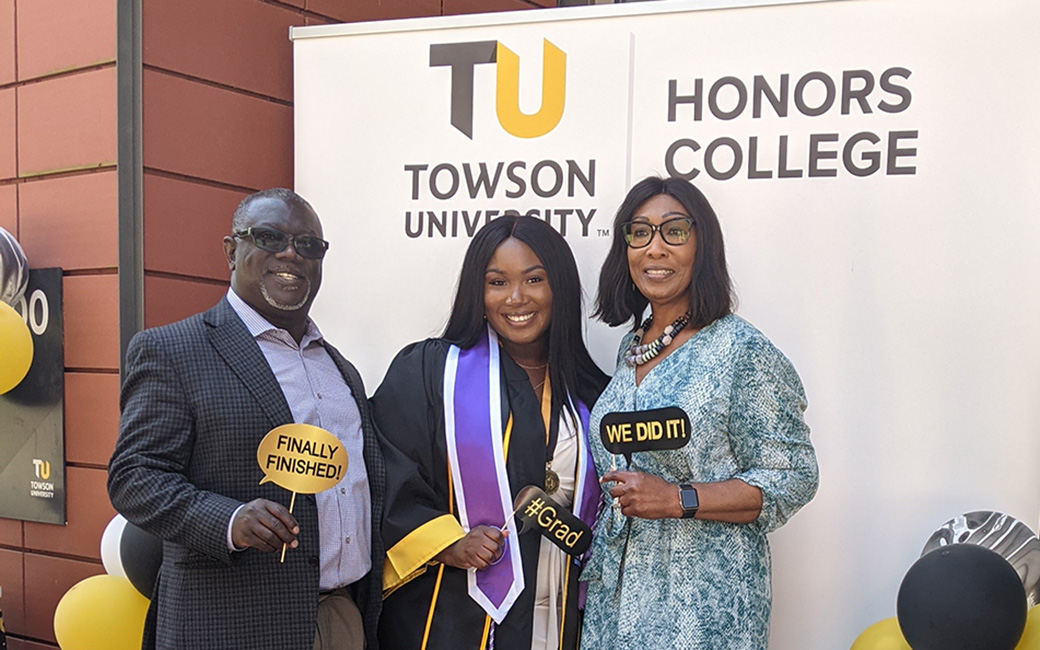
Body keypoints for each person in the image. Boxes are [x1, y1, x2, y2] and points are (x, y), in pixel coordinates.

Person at [108, 188, 385, 650]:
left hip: (341, 617)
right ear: (231, 251)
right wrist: (230, 520)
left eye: (309, 245)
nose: (291, 254)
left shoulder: (340, 370)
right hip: (231, 625)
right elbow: (134, 478)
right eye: (270, 237)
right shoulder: (173, 350)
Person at [579, 177, 819, 649]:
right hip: (619, 602)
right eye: (640, 232)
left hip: (702, 609)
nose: (655, 248)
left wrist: (677, 498)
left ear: (702, 244)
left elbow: (794, 475)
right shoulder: (632, 348)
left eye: (674, 231)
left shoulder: (740, 350)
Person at [372, 216, 608, 650]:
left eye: (534, 279)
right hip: (451, 614)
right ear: (477, 293)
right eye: (497, 282)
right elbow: (385, 471)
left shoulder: (594, 394)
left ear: (560, 287)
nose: (516, 298)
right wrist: (446, 542)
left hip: (558, 611)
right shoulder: (430, 372)